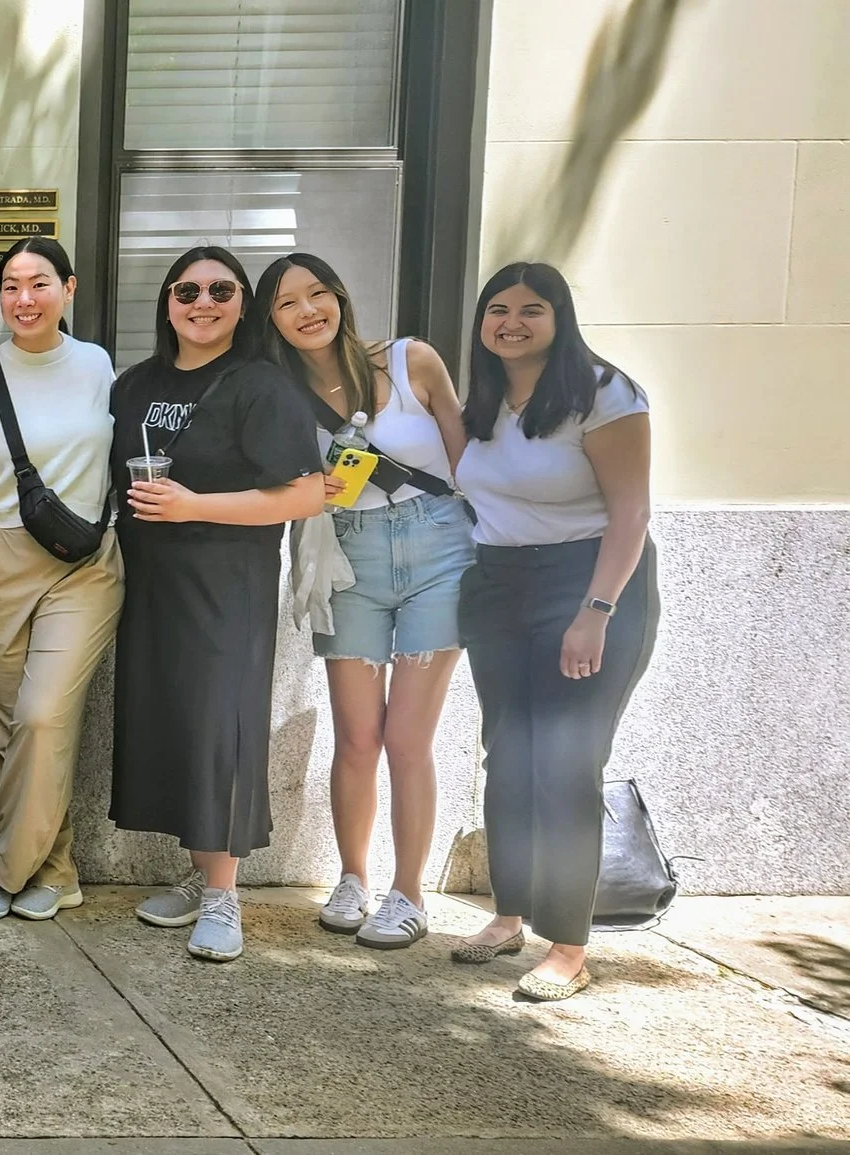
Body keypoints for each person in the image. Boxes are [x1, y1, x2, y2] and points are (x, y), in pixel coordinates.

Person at [108, 246, 324, 963]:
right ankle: (200, 876)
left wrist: (194, 503)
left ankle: (226, 895)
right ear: (167, 301)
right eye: (187, 289)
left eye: (221, 290)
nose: (203, 302)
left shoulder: (259, 385)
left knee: (221, 725)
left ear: (242, 304)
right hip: (153, 582)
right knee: (174, 724)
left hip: (229, 583)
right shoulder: (135, 384)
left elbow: (304, 491)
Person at [448, 263, 656, 1002]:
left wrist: (594, 612)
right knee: (506, 752)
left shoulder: (604, 391)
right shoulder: (485, 399)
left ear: (559, 317)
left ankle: (569, 944)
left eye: (531, 309)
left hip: (588, 582)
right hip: (499, 583)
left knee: (566, 762)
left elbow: (631, 514)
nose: (512, 322)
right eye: (497, 309)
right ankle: (507, 913)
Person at [256, 252, 472, 950]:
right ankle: (353, 876)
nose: (308, 310)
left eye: (319, 293)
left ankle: (408, 892)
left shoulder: (412, 361)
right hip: (347, 558)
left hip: (438, 549)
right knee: (358, 735)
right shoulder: (280, 394)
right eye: (288, 302)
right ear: (272, 320)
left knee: (408, 735)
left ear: (341, 298)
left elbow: (469, 467)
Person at [0, 238, 123, 923]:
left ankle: (5, 867)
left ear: (69, 289)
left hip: (85, 561)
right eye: (11, 286)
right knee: (7, 728)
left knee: (42, 713)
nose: (24, 298)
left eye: (39, 283)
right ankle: (55, 869)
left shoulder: (99, 365)